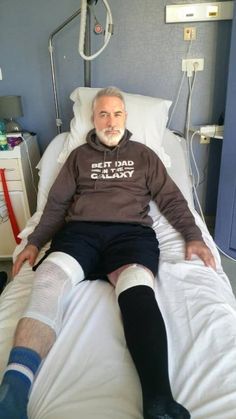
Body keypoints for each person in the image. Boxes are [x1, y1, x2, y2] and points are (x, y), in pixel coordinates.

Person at [0, 87, 216, 419]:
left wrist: (192, 234)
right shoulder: (77, 157)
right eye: (103, 114)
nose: (110, 121)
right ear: (93, 118)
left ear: (125, 118)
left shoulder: (145, 156)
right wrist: (34, 241)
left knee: (137, 287)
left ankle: (158, 399)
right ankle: (12, 393)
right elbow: (55, 206)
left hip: (131, 234)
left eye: (116, 114)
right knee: (47, 280)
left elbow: (172, 200)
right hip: (80, 233)